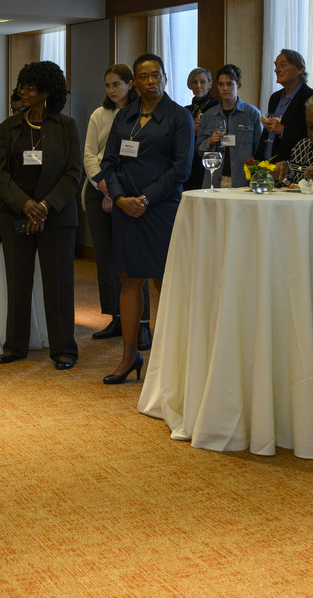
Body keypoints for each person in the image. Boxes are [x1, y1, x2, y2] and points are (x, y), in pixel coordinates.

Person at [96, 53, 193, 385]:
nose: (151, 81)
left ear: (165, 77)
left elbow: (180, 169)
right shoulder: (125, 115)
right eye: (144, 77)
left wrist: (146, 198)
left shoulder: (179, 116)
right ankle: (129, 357)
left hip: (161, 209)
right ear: (135, 82)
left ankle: (170, 363)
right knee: (129, 281)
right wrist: (122, 199)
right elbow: (109, 162)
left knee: (164, 283)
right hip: (126, 210)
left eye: (156, 75)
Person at [0, 61, 82, 369]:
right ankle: (15, 346)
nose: (22, 92)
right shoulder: (8, 127)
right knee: (17, 283)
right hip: (16, 215)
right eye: (22, 86)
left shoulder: (67, 126)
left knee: (59, 284)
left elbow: (73, 173)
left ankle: (64, 349)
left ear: (47, 92)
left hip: (56, 216)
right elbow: (0, 173)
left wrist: (44, 206)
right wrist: (25, 204)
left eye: (30, 87)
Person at [83, 63, 148, 341]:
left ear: (130, 84)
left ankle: (142, 322)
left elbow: (138, 157)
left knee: (134, 258)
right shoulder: (100, 114)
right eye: (107, 85)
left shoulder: (141, 114)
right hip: (98, 188)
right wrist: (103, 186)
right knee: (107, 257)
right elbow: (88, 154)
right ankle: (116, 317)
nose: (111, 90)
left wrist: (117, 191)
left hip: (129, 191)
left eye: (117, 84)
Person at [196, 64, 264, 189]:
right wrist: (210, 141)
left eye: (229, 84)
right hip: (215, 180)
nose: (225, 88)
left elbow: (259, 150)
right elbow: (199, 150)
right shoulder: (208, 116)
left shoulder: (252, 114)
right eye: (221, 84)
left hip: (243, 180)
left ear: (239, 85)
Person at [260, 49, 313, 162]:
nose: (276, 70)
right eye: (276, 65)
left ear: (299, 69)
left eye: (283, 65)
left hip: (293, 166)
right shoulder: (275, 97)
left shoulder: (311, 98)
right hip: (267, 165)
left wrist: (283, 131)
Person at [182, 67, 219, 191]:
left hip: (208, 158)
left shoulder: (217, 107)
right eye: (194, 82)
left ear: (210, 84)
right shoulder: (186, 110)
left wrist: (201, 129)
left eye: (202, 82)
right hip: (188, 159)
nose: (198, 86)